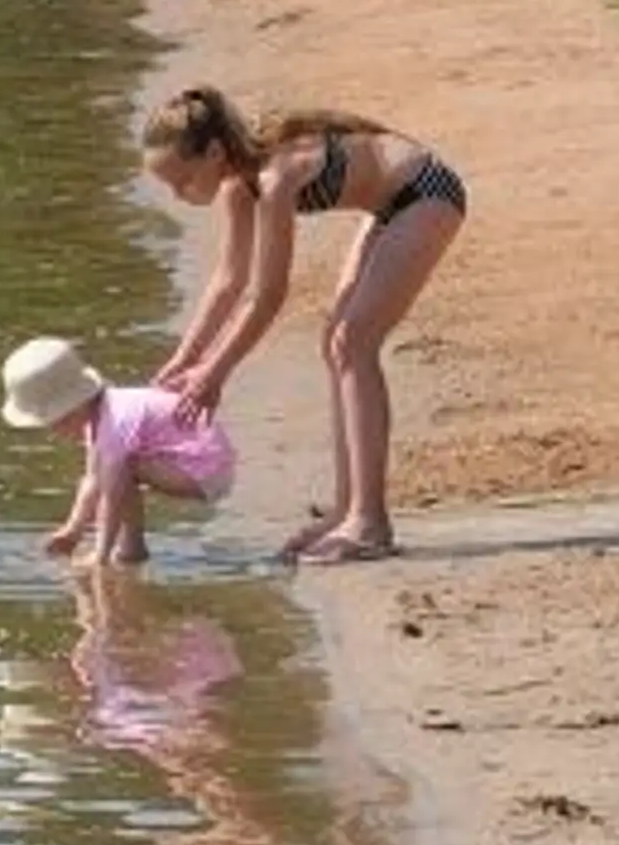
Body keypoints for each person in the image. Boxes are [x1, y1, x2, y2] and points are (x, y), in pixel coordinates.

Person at [139, 82, 467, 563]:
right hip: (385, 210)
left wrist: (215, 374)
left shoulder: (276, 178)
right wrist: (186, 359)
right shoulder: (238, 186)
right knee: (337, 344)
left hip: (425, 194)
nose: (179, 195)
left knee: (353, 343)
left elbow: (268, 296)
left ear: (212, 152)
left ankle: (370, 523)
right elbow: (229, 282)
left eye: (181, 181)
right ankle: (347, 509)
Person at [2, 335, 241, 567]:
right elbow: (91, 480)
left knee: (120, 469)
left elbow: (110, 495)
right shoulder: (103, 414)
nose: (54, 432)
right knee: (113, 469)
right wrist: (72, 531)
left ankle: (126, 548)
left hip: (204, 469)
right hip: (191, 460)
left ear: (69, 409)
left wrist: (100, 552)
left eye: (54, 424)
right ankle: (131, 547)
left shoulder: (115, 423)